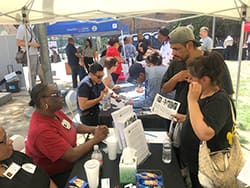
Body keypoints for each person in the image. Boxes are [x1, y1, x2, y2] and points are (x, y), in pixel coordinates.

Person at [25, 83, 109, 188]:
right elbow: (72, 156)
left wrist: (94, 129)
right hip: (58, 174)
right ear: (43, 102)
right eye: (56, 94)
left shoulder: (54, 112)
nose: (61, 96)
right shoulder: (41, 130)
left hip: (72, 160)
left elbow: (73, 125)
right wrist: (95, 139)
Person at [179, 52, 234, 187]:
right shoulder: (203, 94)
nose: (189, 81)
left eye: (192, 78)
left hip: (209, 167)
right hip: (195, 163)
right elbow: (202, 117)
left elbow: (205, 133)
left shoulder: (219, 100)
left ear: (205, 80)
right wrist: (186, 118)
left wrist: (191, 101)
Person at [16, 24, 41, 89]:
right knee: (32, 73)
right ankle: (32, 88)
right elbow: (18, 42)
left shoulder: (29, 27)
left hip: (34, 52)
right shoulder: (21, 28)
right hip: (29, 53)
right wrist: (32, 44)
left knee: (37, 71)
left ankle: (34, 87)